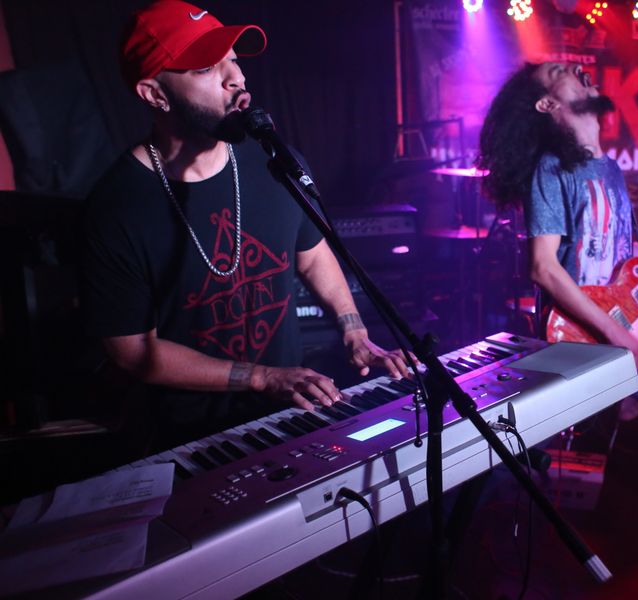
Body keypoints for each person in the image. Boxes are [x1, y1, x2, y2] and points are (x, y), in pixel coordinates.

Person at [81, 0, 409, 451]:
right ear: (154, 94)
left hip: (286, 420)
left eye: (233, 60)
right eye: (206, 68)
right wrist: (262, 377)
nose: (236, 78)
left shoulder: (275, 164)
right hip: (187, 443)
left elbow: (312, 254)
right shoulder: (116, 208)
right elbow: (132, 352)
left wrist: (354, 330)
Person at [477, 62, 638, 507]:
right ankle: (465, 530)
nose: (578, 69)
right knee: (513, 451)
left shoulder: (611, 170)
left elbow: (625, 268)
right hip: (577, 337)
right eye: (560, 70)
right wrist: (616, 335)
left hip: (623, 329)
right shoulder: (551, 169)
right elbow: (543, 268)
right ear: (547, 104)